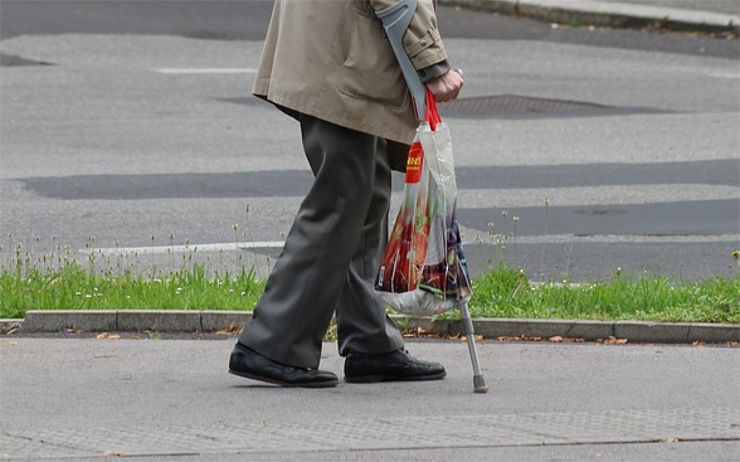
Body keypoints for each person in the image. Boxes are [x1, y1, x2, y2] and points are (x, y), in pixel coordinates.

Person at [229, 0, 464, 388]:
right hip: (343, 54)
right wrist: (432, 61)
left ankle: (371, 341)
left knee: (364, 192)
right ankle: (273, 342)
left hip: (342, 49)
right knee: (343, 194)